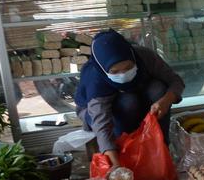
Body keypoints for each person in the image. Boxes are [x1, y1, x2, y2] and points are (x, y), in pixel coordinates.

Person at [74, 29, 184, 167]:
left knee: (158, 89)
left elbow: (176, 81)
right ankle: (127, 152)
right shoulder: (95, 79)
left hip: (138, 93)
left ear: (132, 57)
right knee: (129, 101)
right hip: (99, 110)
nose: (123, 74)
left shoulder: (144, 56)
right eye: (115, 72)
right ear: (104, 69)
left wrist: (166, 101)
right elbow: (101, 124)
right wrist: (116, 166)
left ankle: (161, 148)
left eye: (128, 67)